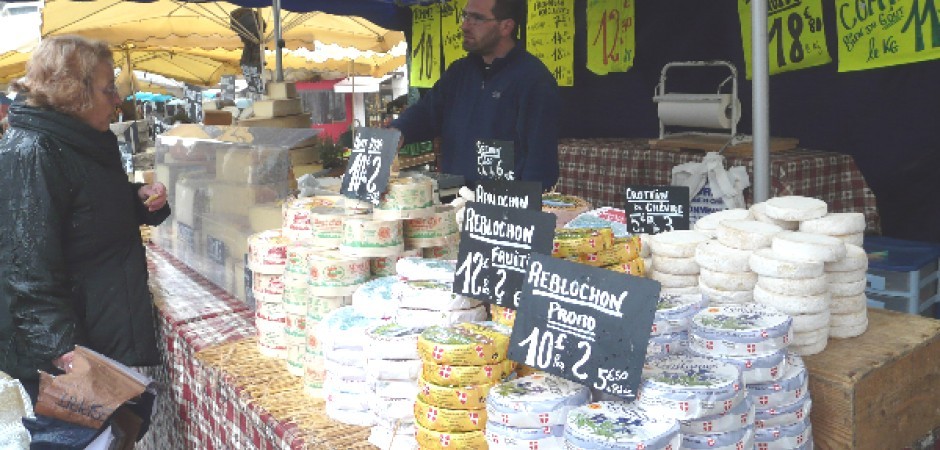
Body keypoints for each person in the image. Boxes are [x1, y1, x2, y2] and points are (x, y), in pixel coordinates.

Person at [0, 36, 170, 387]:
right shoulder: (32, 151)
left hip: (96, 333)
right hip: (64, 356)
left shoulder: (75, 140)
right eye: (108, 90)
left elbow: (85, 208)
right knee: (80, 439)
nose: (117, 101)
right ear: (72, 92)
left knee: (114, 436)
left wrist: (138, 197)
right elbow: (25, 269)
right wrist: (64, 351)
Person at [390, 0, 560, 190]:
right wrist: (398, 131)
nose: (464, 25)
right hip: (454, 200)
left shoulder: (534, 80)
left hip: (502, 210)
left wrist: (528, 210)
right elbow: (427, 112)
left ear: (506, 26)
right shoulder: (458, 72)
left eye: (477, 18)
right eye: (465, 16)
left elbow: (540, 158)